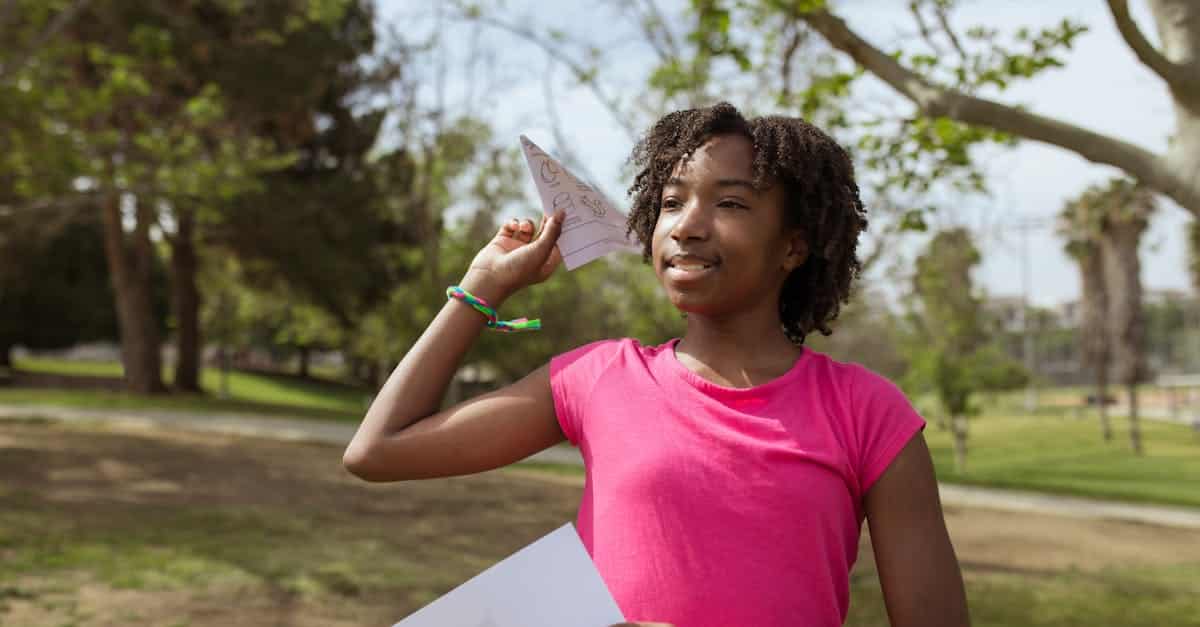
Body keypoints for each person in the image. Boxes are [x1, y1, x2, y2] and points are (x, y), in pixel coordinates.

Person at [343, 102, 970, 627]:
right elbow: (378, 450)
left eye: (730, 204)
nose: (687, 227)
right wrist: (481, 289)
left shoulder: (869, 416)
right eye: (671, 202)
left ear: (793, 245)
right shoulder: (598, 378)